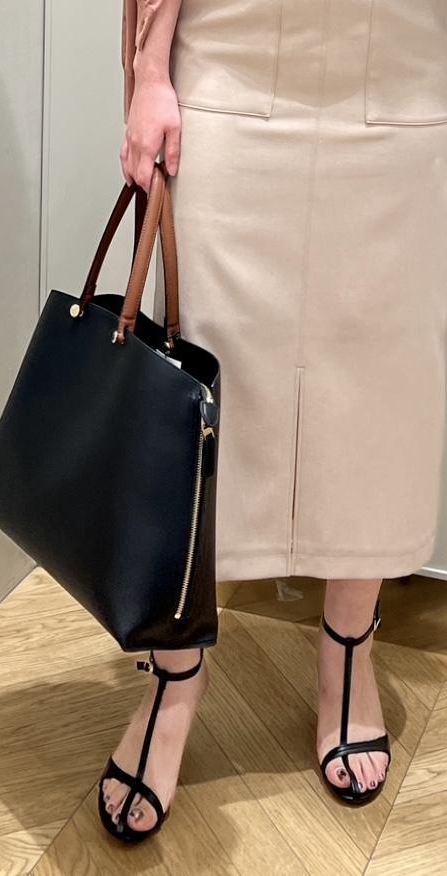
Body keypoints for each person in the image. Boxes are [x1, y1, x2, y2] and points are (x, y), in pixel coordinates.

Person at [97, 0, 447, 842]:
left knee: (379, 388)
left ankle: (349, 650)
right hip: (231, 53)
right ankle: (173, 675)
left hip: (402, 63)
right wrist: (148, 69)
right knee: (199, 378)